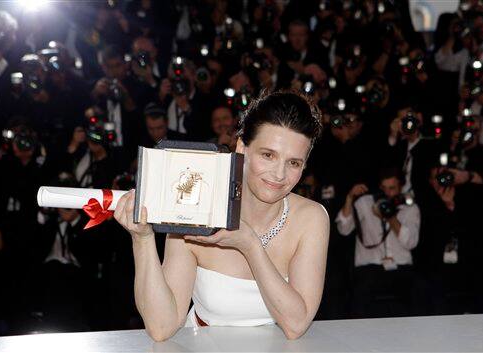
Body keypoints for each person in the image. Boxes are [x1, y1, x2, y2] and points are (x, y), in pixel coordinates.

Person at [114, 91, 329, 341]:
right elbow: (161, 327)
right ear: (241, 148)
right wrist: (142, 240)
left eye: (293, 163)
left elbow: (296, 324)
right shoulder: (198, 210)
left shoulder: (311, 219)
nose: (279, 174)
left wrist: (250, 245)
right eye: (268, 155)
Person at [336, 167, 420, 318]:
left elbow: (411, 243)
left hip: (401, 267)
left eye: (392, 188)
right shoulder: (365, 202)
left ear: (401, 187)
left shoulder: (410, 208)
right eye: (384, 188)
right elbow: (344, 229)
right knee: (358, 299)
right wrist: (349, 198)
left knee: (417, 295)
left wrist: (390, 216)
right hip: (370, 267)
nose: (388, 193)